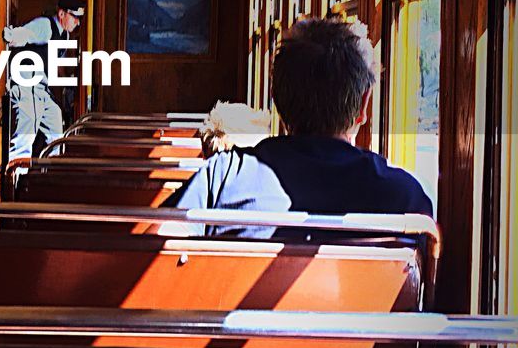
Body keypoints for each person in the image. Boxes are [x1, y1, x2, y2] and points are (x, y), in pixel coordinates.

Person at [177, 16, 433, 222]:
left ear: (275, 97)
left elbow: (155, 247)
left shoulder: (220, 180)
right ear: (364, 105)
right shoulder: (405, 200)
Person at [2, 0, 85, 161]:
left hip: (41, 88)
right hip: (27, 85)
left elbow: (55, 63)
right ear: (62, 14)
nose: (77, 22)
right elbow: (23, 34)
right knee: (25, 136)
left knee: (55, 124)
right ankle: (16, 181)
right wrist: (10, 36)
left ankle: (49, 176)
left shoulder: (64, 35)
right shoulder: (45, 25)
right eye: (74, 17)